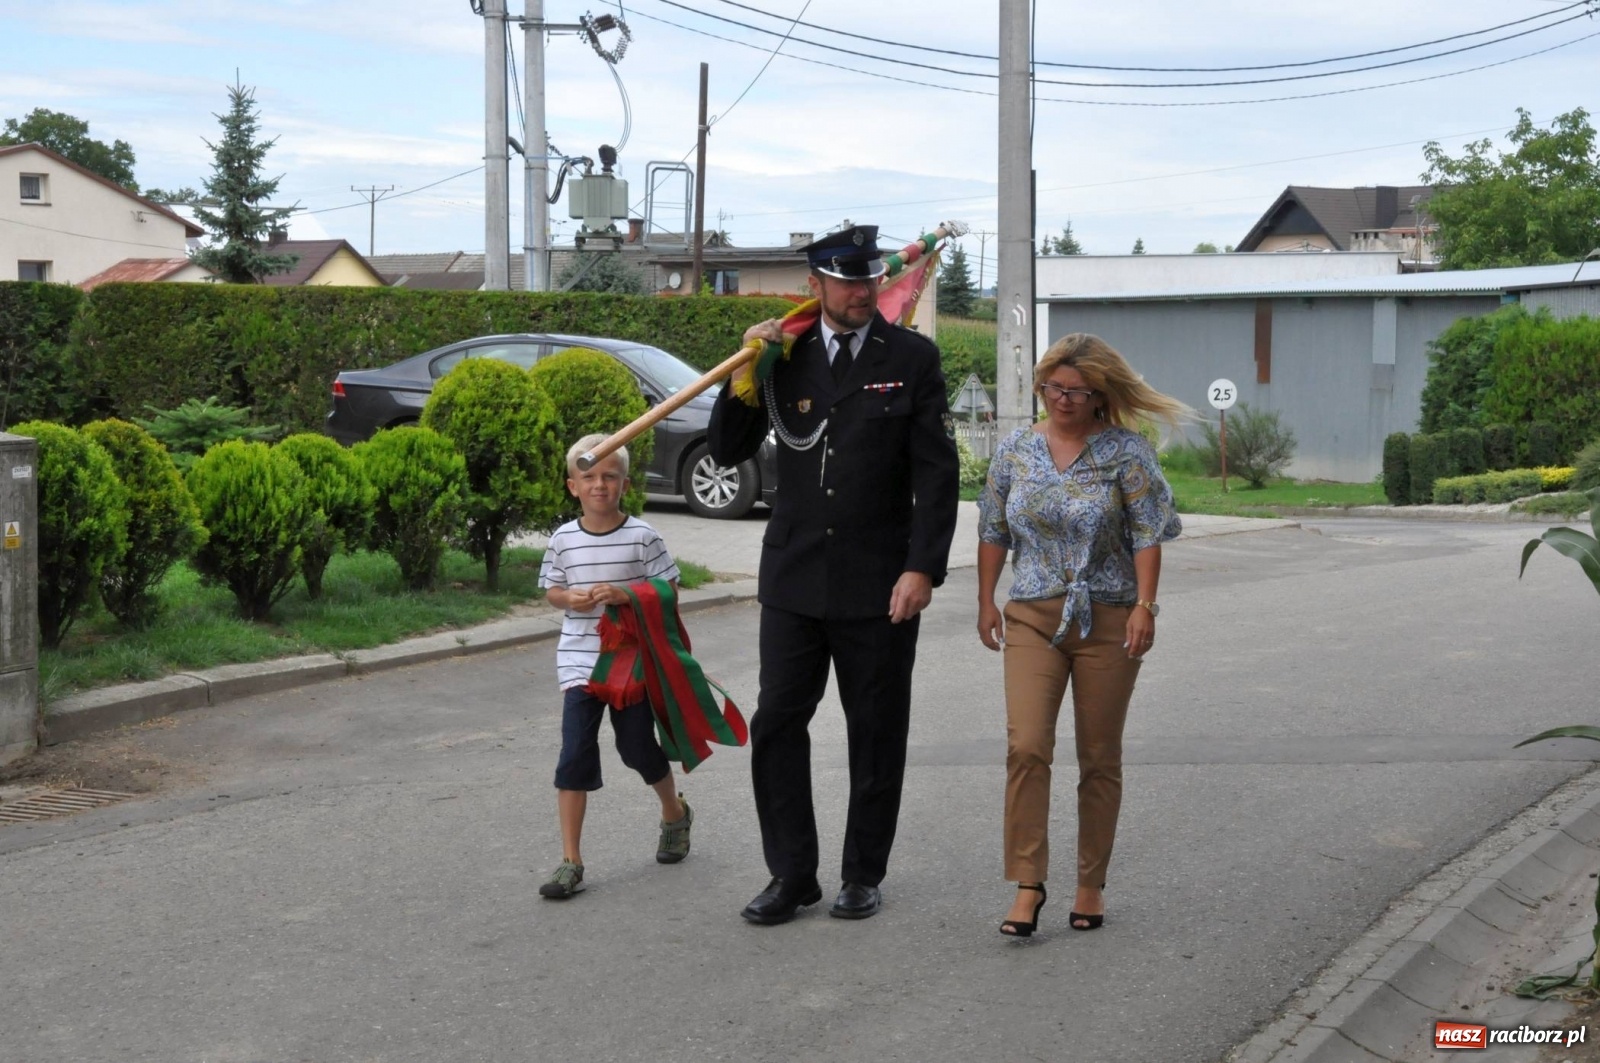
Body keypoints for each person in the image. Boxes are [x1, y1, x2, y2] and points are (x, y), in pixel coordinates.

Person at [709, 225, 960, 925]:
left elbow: (938, 477)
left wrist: (923, 568)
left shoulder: (910, 358)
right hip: (794, 577)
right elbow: (728, 451)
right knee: (779, 722)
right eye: (847, 282)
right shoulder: (781, 356)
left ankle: (861, 872)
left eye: (869, 280)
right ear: (814, 285)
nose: (861, 292)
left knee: (875, 730)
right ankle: (791, 873)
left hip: (879, 581)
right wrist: (743, 374)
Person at [975, 333, 1187, 937]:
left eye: (1077, 390)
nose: (1063, 399)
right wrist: (986, 600)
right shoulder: (1015, 450)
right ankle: (1027, 883)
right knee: (1027, 745)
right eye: (1053, 388)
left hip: (1110, 616)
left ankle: (1090, 882)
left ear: (1100, 394)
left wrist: (1146, 606)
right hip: (1032, 615)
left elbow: (1149, 532)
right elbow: (994, 529)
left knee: (1098, 756)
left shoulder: (1127, 451)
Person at [536, 434, 692, 899]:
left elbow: (669, 591)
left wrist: (628, 595)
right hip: (580, 662)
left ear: (625, 484)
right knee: (575, 754)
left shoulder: (643, 536)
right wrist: (571, 597)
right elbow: (552, 590)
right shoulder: (563, 539)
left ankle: (674, 812)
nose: (599, 485)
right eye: (589, 478)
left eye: (609, 477)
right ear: (572, 486)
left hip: (631, 664)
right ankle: (570, 861)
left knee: (636, 750)